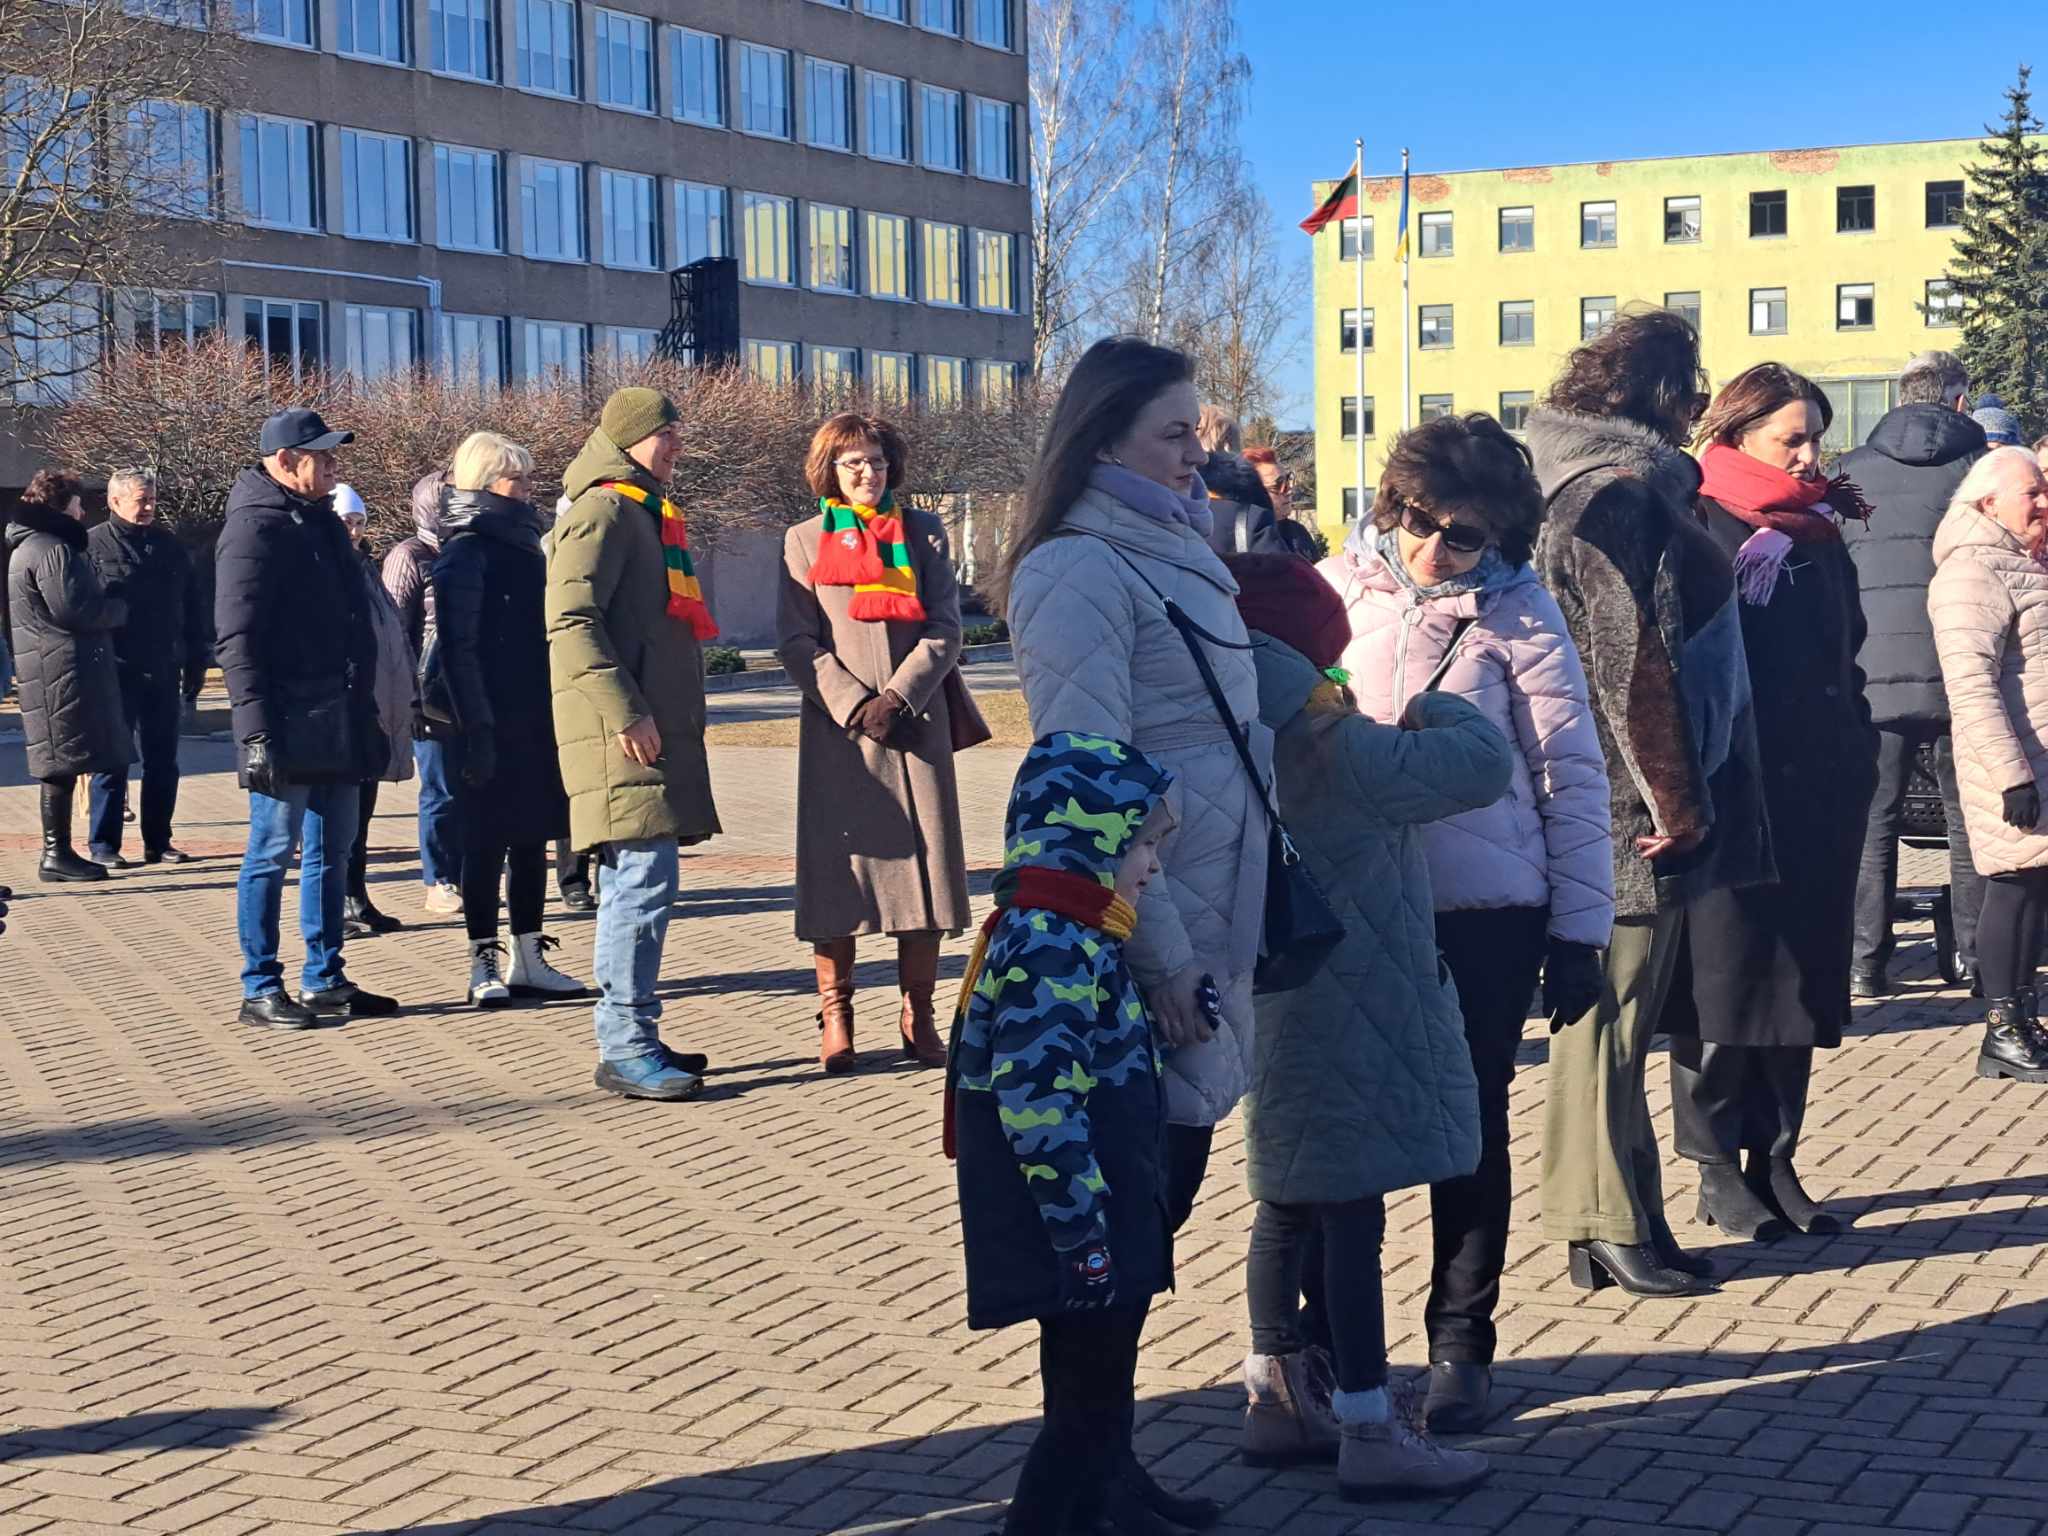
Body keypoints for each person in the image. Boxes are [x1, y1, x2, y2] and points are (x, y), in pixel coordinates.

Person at [999, 337, 1262, 1526]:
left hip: (1208, 905)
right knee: (1117, 1220)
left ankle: (1098, 1469)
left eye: (1197, 430)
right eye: (1172, 432)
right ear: (1102, 437)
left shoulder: (1167, 544)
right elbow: (1085, 784)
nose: (1196, 452)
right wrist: (1157, 959)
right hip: (1144, 941)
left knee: (1151, 1213)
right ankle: (1064, 1490)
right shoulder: (1079, 566)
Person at [1319, 413, 1614, 1429]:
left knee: (1470, 1129)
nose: (1431, 548)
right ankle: (1330, 1344)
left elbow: (1569, 772)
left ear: (1500, 538)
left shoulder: (1522, 613)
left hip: (1488, 910)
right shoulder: (1333, 590)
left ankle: (1460, 1344)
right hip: (1357, 901)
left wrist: (1579, 931)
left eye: (1462, 535)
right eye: (1417, 520)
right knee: (1343, 1127)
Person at [1227, 552, 1510, 1496]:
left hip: (1276, 1000)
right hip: (1360, 1004)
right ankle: (1367, 1420)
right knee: (1354, 1214)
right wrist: (1435, 705)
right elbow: (1480, 764)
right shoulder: (1335, 744)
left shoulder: (1234, 731)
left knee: (1284, 1199)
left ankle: (1275, 1399)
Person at [1526, 309, 1771, 1297]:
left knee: (1621, 1024)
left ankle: (1628, 1218)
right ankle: (1597, 1220)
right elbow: (1632, 664)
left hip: (1623, 795)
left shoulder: (1599, 486)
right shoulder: (1615, 496)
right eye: (1690, 392)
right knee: (1605, 1023)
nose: (1696, 412)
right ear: (1660, 396)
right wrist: (1675, 800)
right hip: (1626, 808)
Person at [1663, 365, 1879, 1240]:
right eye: (1792, 438)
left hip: (1820, 791)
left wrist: (1857, 745)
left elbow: (1847, 649)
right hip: (1736, 791)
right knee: (1726, 981)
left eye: (1816, 437)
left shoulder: (1818, 529)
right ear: (1738, 433)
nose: (1809, 454)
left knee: (1800, 983)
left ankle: (1776, 1155)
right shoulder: (1700, 523)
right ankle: (1714, 1162)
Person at [948, 732, 1177, 1536]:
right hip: (1079, 1216)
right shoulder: (1052, 940)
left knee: (1094, 1390)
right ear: (1088, 839)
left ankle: (1096, 1515)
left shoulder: (1078, 927)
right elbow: (1038, 1100)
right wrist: (1082, 1234)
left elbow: (1089, 1049)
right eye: (1143, 844)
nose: (1152, 866)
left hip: (1099, 1205)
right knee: (1082, 1413)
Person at [776, 412, 975, 1072]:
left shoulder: (923, 531)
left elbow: (946, 627)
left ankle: (919, 1015)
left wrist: (898, 696)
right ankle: (836, 1015)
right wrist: (855, 704)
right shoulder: (803, 540)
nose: (869, 473)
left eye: (878, 461)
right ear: (829, 471)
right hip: (839, 732)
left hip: (915, 725)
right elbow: (796, 641)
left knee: (925, 876)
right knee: (838, 877)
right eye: (854, 462)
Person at [548, 387, 721, 1101]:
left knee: (640, 885)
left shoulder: (643, 510)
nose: (677, 445)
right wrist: (626, 714)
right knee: (640, 887)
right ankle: (624, 1045)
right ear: (628, 440)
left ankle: (634, 1032)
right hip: (619, 737)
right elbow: (570, 622)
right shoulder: (605, 510)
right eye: (665, 434)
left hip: (643, 731)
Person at [214, 410, 398, 1027]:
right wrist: (255, 732)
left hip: (339, 713)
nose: (334, 465)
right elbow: (236, 637)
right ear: (286, 460)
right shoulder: (254, 527)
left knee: (332, 850)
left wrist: (366, 705)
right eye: (323, 456)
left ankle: (325, 977)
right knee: (272, 850)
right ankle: (260, 985)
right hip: (285, 718)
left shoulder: (320, 520)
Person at [1841, 351, 1989, 996]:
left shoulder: (1849, 472)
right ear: (1959, 400)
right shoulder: (1981, 470)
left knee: (1874, 822)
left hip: (1872, 671)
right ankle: (1979, 963)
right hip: (1965, 667)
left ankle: (1865, 964)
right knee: (1971, 820)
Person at [433, 433, 585, 1007]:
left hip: (532, 713)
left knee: (530, 837)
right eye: (514, 478)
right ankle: (483, 959)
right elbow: (459, 650)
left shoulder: (527, 546)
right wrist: (477, 729)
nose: (526, 487)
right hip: (483, 720)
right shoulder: (464, 552)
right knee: (484, 842)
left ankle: (529, 955)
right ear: (484, 483)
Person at [1928, 447, 2048, 1083]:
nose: (2044, 501)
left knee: (2034, 885)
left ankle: (2023, 1018)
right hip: (2011, 760)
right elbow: (1969, 685)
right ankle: (2002, 1028)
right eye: (2033, 492)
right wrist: (2011, 774)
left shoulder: (2024, 560)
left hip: (2038, 752)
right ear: (1989, 502)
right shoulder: (1971, 572)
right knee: (2011, 884)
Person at [6, 469, 131, 883]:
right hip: (60, 669)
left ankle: (58, 852)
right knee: (60, 764)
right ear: (62, 505)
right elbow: (75, 610)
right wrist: (118, 608)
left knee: (59, 761)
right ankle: (55, 853)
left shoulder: (29, 545)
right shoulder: (52, 548)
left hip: (47, 667)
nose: (82, 512)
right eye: (78, 503)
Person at [85, 468, 208, 867]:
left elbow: (193, 606)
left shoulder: (169, 547)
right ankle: (104, 844)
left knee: (163, 760)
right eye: (141, 500)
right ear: (115, 501)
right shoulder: (92, 546)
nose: (149, 507)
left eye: (153, 499)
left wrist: (197, 659)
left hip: (163, 667)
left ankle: (158, 840)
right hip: (114, 670)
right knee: (112, 760)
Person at [332, 483, 412, 940]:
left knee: (363, 812)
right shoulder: (329, 568)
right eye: (346, 521)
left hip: (374, 706)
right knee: (339, 817)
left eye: (359, 522)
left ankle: (357, 895)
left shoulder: (366, 567)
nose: (354, 530)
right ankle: (336, 902)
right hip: (343, 708)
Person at [383, 469, 463, 915]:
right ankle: (438, 879)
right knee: (440, 789)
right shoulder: (409, 556)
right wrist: (408, 698)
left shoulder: (466, 552)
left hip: (467, 690)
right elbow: (394, 632)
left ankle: (466, 872)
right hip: (427, 694)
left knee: (469, 787)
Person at [1242, 446, 1296, 521]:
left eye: (1288, 480)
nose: (1289, 492)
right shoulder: (1232, 527)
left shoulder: (1296, 528)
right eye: (1278, 486)